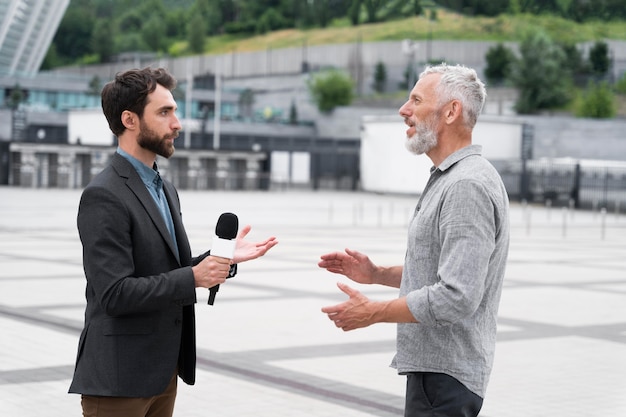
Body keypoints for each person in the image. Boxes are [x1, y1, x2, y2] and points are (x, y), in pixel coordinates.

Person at [68, 67, 278, 417]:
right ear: (130, 120)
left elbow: (165, 271)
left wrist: (220, 257)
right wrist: (195, 277)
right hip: (119, 380)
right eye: (165, 112)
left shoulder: (164, 189)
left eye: (175, 112)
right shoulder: (103, 195)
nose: (177, 123)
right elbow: (115, 294)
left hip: (162, 373)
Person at [318, 63, 509, 417]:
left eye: (416, 100)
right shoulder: (452, 177)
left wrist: (373, 312)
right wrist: (377, 274)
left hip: (445, 382)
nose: (403, 110)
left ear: (451, 111)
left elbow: (457, 295)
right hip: (438, 378)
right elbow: (446, 271)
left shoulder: (466, 185)